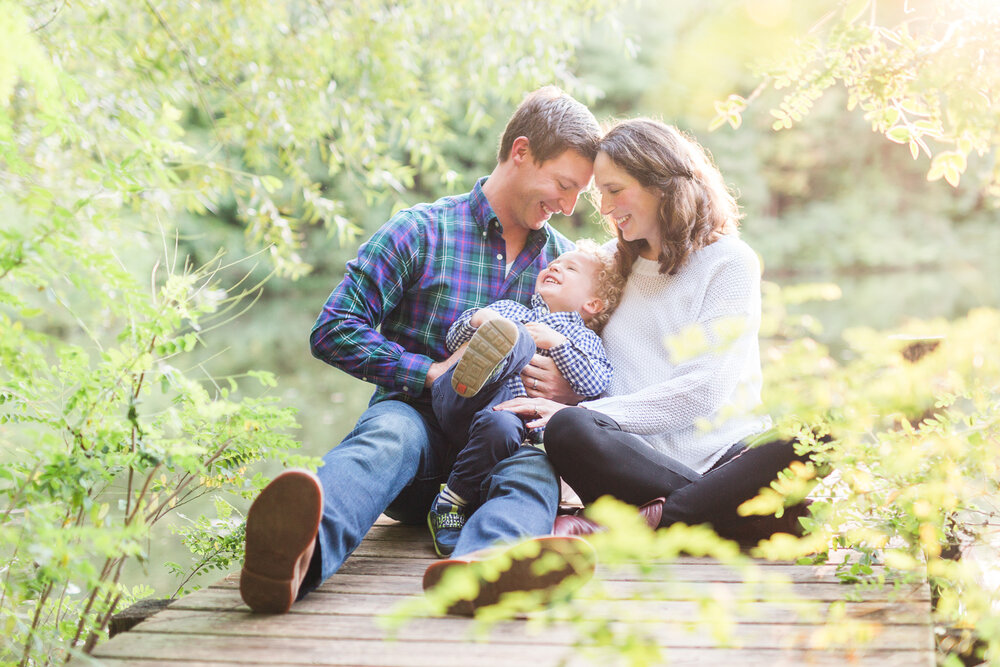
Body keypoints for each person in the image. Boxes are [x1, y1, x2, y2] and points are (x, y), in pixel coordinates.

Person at [239, 87, 603, 615]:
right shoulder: (420, 231)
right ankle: (294, 563)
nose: (569, 208)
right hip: (419, 445)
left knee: (533, 468)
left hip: (503, 443)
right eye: (564, 185)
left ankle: (485, 570)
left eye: (578, 195)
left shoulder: (565, 265)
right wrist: (429, 373)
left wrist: (565, 388)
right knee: (387, 436)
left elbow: (596, 367)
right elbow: (333, 327)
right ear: (521, 152)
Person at [493, 118, 809, 542]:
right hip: (627, 466)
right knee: (568, 430)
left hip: (726, 458)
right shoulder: (607, 264)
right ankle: (731, 517)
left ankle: (658, 520)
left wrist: (592, 411)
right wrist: (571, 396)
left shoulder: (730, 262)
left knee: (819, 430)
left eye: (614, 190)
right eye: (600, 193)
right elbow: (556, 327)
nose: (603, 209)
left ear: (662, 184)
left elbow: (705, 388)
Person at [427, 240, 622, 557]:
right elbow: (454, 338)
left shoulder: (582, 339)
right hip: (459, 398)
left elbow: (595, 382)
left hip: (506, 424)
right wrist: (479, 320)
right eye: (555, 262)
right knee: (516, 338)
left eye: (570, 268)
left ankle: (452, 502)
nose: (555, 266)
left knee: (503, 427)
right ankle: (491, 366)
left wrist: (558, 344)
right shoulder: (510, 310)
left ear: (593, 304)